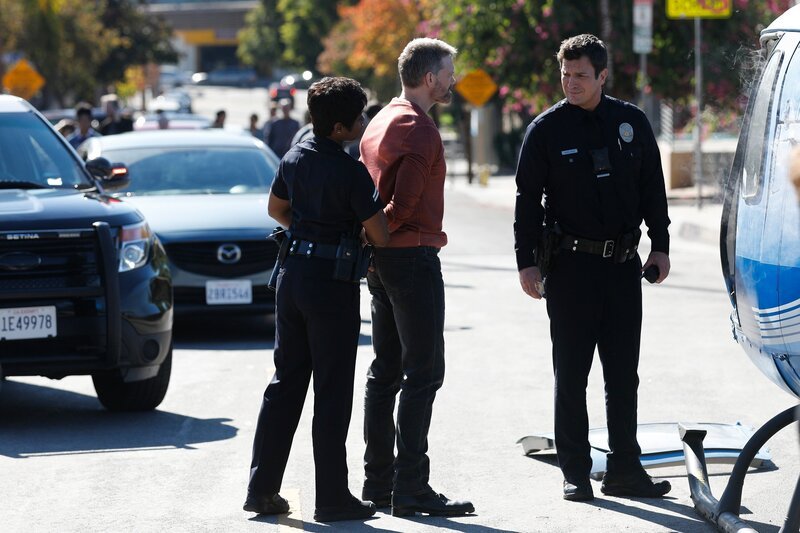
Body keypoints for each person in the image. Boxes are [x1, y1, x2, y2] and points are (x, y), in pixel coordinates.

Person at [513, 34, 671, 502]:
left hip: (623, 267)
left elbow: (652, 189)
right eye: (565, 74)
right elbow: (527, 203)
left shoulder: (631, 122)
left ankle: (625, 468)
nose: (571, 83)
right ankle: (576, 473)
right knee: (572, 374)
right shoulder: (546, 130)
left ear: (602, 75)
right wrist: (526, 262)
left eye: (581, 75)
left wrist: (660, 246)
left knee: (623, 374)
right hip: (570, 269)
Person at [244, 77, 390, 523]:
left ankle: (262, 489)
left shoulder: (295, 155)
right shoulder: (349, 170)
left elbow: (277, 210)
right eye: (360, 117)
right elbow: (379, 234)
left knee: (286, 383)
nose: (364, 122)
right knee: (331, 390)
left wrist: (309, 228)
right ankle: (331, 498)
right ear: (342, 127)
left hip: (291, 277)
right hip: (331, 285)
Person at [358, 37, 474, 518]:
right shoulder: (420, 129)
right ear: (430, 77)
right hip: (411, 258)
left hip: (382, 262)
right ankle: (411, 487)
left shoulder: (381, 118)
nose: (453, 79)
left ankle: (378, 483)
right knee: (423, 374)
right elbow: (401, 208)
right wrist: (381, 236)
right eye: (448, 72)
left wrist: (369, 243)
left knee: (385, 372)